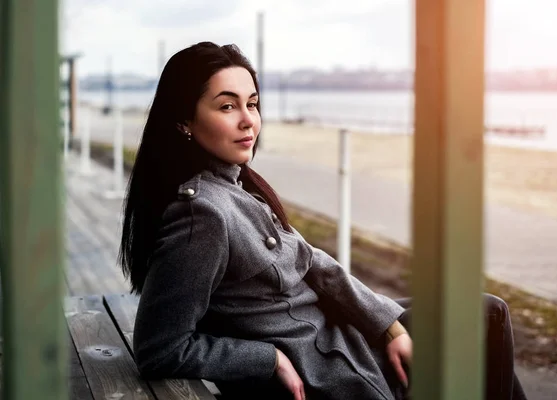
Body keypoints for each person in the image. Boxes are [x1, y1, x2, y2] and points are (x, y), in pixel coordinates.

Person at [119, 41, 528, 400]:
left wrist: (391, 329)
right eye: (227, 106)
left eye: (253, 103)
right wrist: (268, 358)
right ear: (183, 123)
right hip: (330, 368)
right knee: (486, 318)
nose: (248, 120)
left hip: (343, 335)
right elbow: (160, 348)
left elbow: (317, 264)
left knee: (486, 313)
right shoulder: (202, 215)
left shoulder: (239, 187)